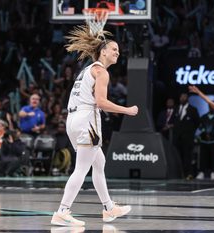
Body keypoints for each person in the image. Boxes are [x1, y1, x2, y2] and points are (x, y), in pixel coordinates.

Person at [51, 25, 138, 226]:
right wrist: (127, 110)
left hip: (73, 119)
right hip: (87, 119)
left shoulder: (86, 70)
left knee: (99, 164)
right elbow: (101, 102)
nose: (118, 52)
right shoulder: (101, 72)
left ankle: (108, 208)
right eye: (114, 49)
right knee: (81, 169)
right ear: (103, 51)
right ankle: (62, 211)